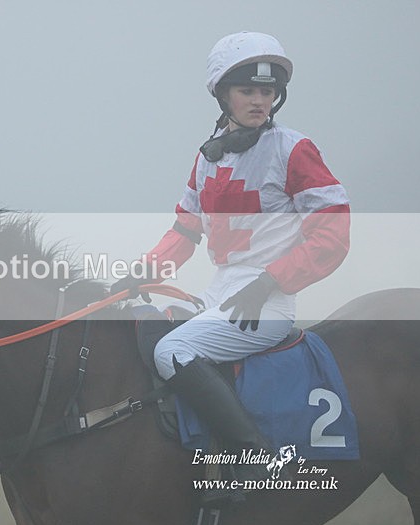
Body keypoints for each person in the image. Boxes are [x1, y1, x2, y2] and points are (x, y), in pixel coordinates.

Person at [111, 31, 351, 489]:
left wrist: (271, 282)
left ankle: (256, 458)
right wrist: (142, 273)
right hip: (222, 290)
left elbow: (333, 234)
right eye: (248, 91)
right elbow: (184, 232)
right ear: (222, 94)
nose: (260, 100)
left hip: (267, 301)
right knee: (147, 327)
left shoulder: (293, 149)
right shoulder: (207, 158)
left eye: (268, 92)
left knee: (173, 350)